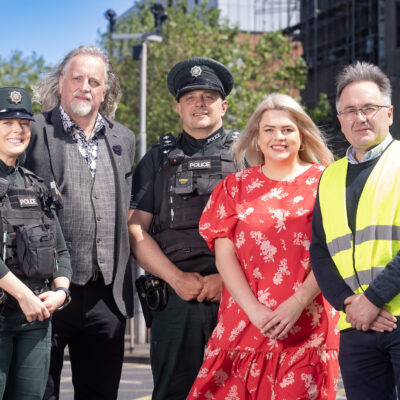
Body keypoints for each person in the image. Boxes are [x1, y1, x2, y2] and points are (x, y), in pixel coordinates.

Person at [187, 93, 339, 400]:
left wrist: (296, 304)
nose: (278, 137)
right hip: (243, 322)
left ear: (302, 136)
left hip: (307, 326)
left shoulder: (326, 183)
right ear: (256, 139)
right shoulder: (233, 187)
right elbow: (224, 257)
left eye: (287, 129)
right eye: (268, 129)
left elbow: (334, 252)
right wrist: (254, 311)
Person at [24, 46, 135, 400]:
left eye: (94, 81)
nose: (84, 87)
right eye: (76, 78)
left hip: (107, 297)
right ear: (61, 83)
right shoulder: (34, 130)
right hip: (45, 293)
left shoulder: (124, 138)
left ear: (105, 91)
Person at [129, 57, 239, 400]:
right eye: (191, 98)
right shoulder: (157, 159)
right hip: (177, 299)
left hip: (239, 297)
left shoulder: (247, 153)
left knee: (238, 391)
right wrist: (177, 280)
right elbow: (137, 230)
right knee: (174, 392)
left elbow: (263, 230)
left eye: (208, 96)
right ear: (179, 107)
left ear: (223, 105)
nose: (199, 104)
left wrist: (229, 281)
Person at [310, 61, 400, 400]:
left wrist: (373, 300)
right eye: (350, 111)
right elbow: (319, 249)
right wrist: (351, 305)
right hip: (355, 326)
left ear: (388, 113)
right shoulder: (329, 176)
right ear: (340, 122)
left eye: (369, 108)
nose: (359, 118)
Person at [0, 87, 71, 399]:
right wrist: (24, 296)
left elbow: (60, 250)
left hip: (36, 321)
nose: (18, 130)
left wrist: (61, 291)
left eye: (24, 123)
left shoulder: (36, 185)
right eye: (7, 123)